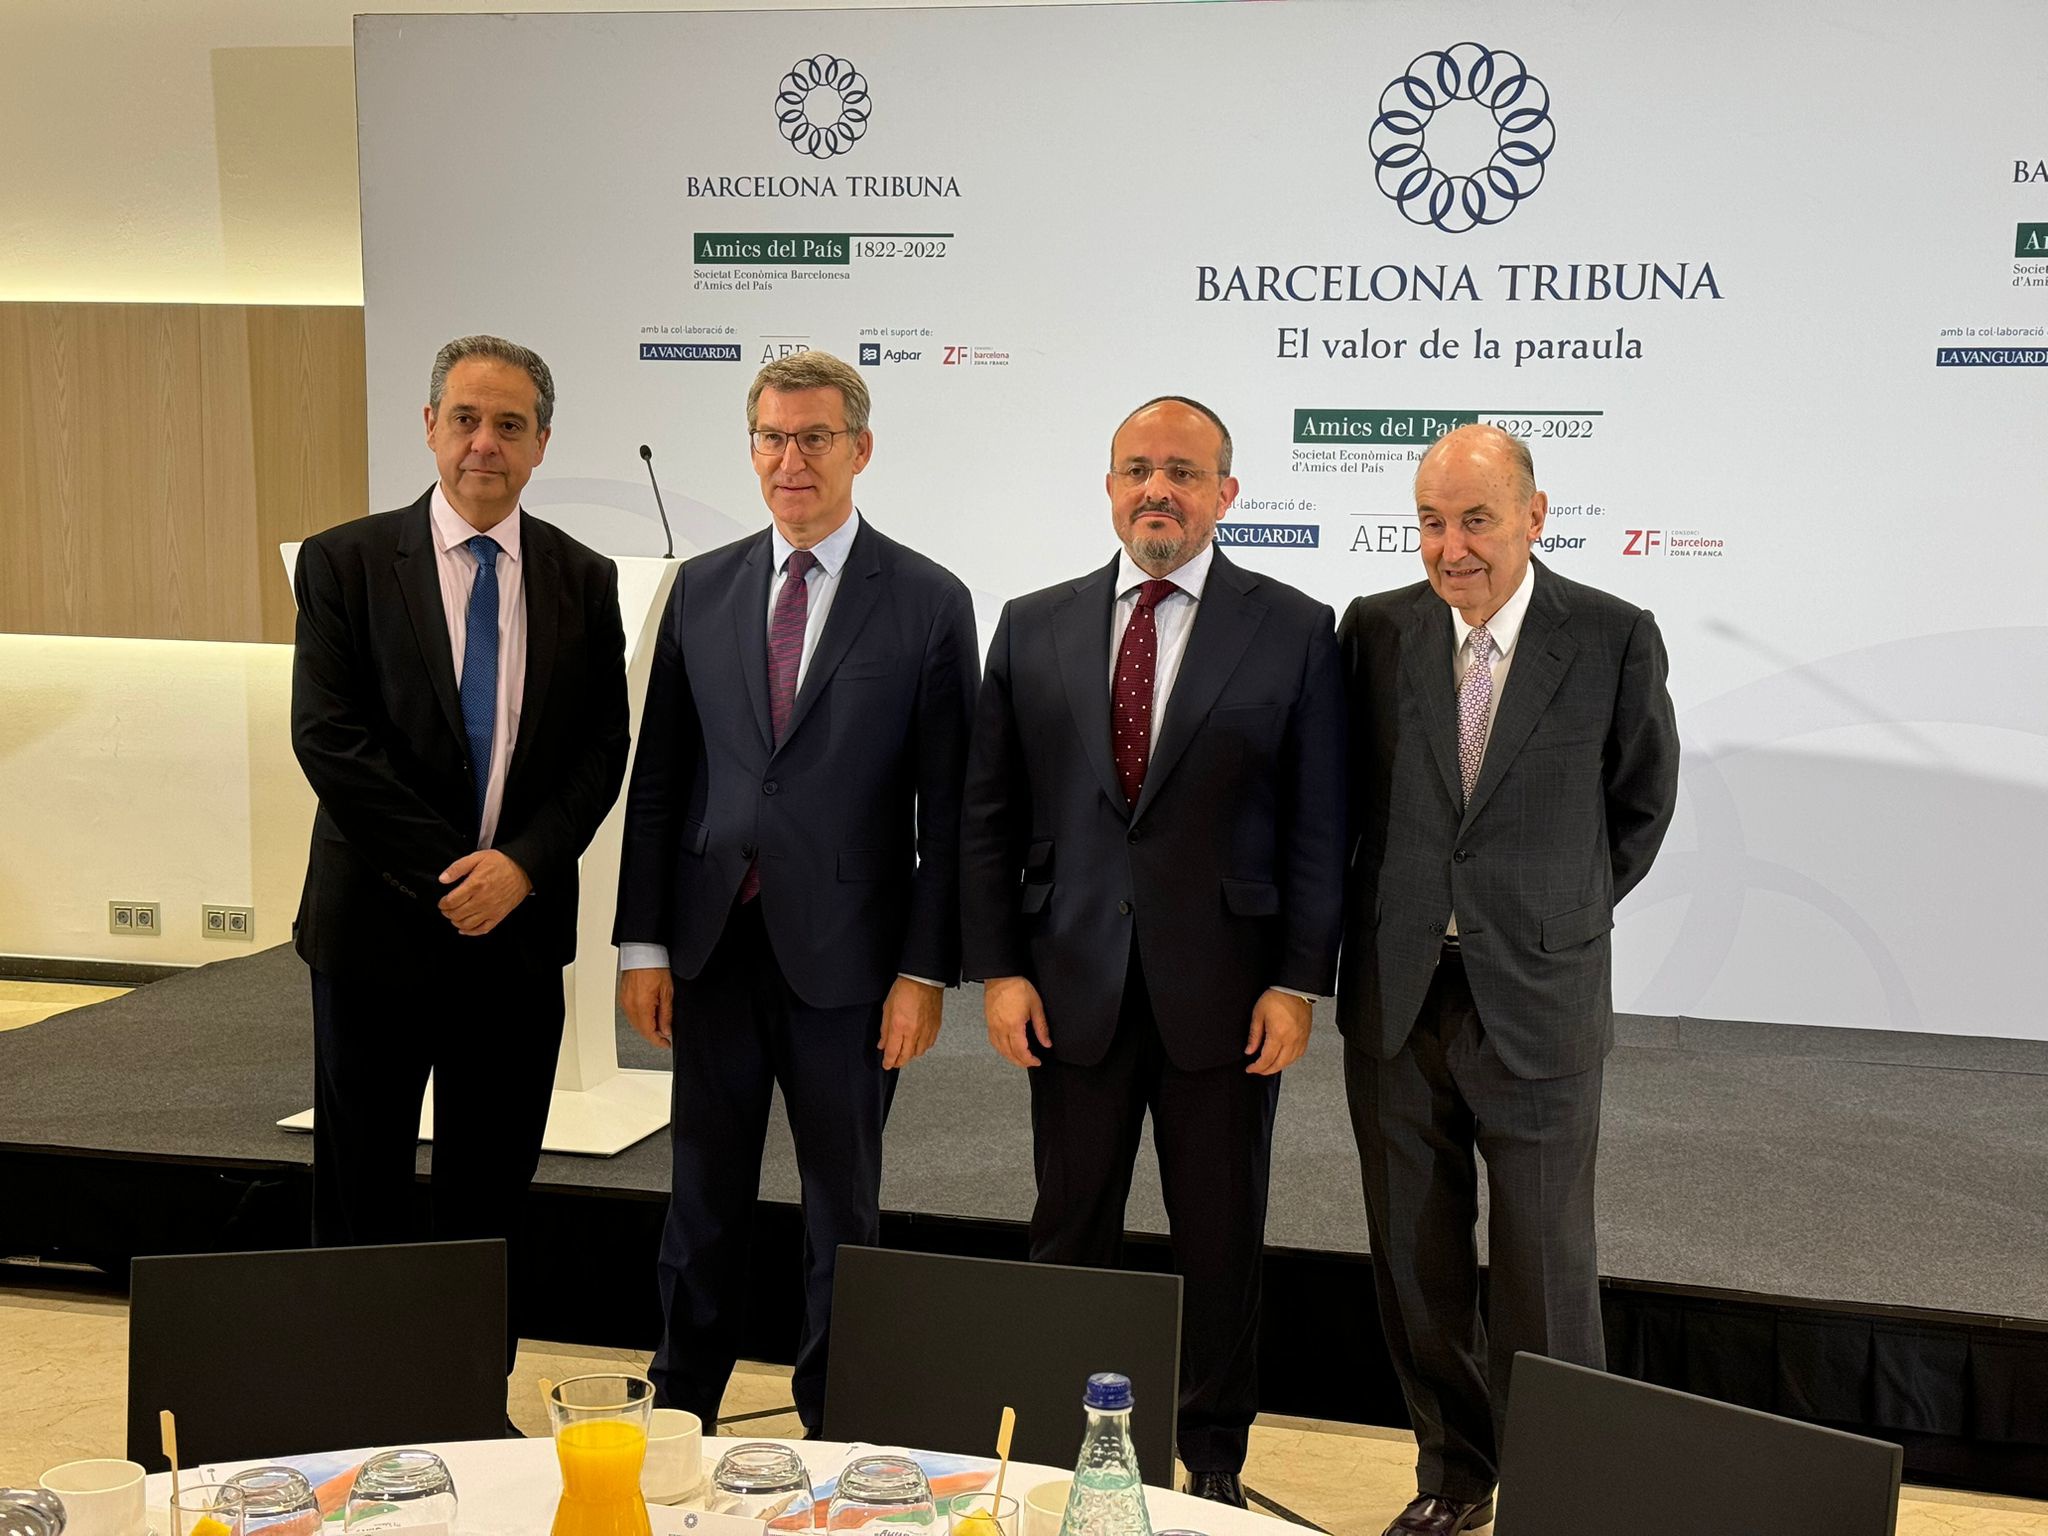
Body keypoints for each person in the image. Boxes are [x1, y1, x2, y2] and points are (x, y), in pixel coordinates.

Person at [960, 396, 1346, 1505]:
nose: (1156, 490)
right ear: (1109, 486)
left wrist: (1295, 980)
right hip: (1067, 987)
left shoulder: (1294, 627)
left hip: (1226, 996)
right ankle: (1053, 1448)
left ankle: (1212, 1460)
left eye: (1182, 471)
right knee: (1067, 1232)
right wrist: (999, 967)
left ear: (1226, 492)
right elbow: (987, 813)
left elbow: (1321, 824)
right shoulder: (1031, 623)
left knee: (1219, 1241)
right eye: (1137, 469)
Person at [613, 350, 979, 1433]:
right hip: (712, 949)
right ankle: (682, 1403)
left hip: (854, 965)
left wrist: (923, 972)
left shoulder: (927, 600)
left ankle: (838, 1416)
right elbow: (661, 779)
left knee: (841, 1210)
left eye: (814, 438)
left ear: (859, 449)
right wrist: (642, 944)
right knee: (701, 1198)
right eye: (772, 438)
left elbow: (951, 814)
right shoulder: (704, 587)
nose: (791, 460)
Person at [1336, 424, 1680, 1536]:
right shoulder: (1374, 630)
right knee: (1415, 1260)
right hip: (1398, 995)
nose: (1452, 547)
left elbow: (1638, 805)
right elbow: (1348, 802)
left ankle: (1561, 1491)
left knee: (1543, 1266)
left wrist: (1543, 918)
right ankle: (1453, 1475)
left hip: (1537, 995)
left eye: (1476, 520)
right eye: (1431, 522)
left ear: (1534, 516)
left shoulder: (1612, 635)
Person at [291, 334, 630, 1360]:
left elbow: (600, 750)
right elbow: (331, 741)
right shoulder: (346, 563)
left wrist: (519, 868)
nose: (486, 442)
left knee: (490, 1197)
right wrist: (453, 875)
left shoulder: (584, 577)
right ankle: (356, 1405)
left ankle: (469, 1400)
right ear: (430, 426)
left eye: (510, 425)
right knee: (363, 1187)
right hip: (376, 932)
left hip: (514, 939)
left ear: (541, 444)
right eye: (468, 419)